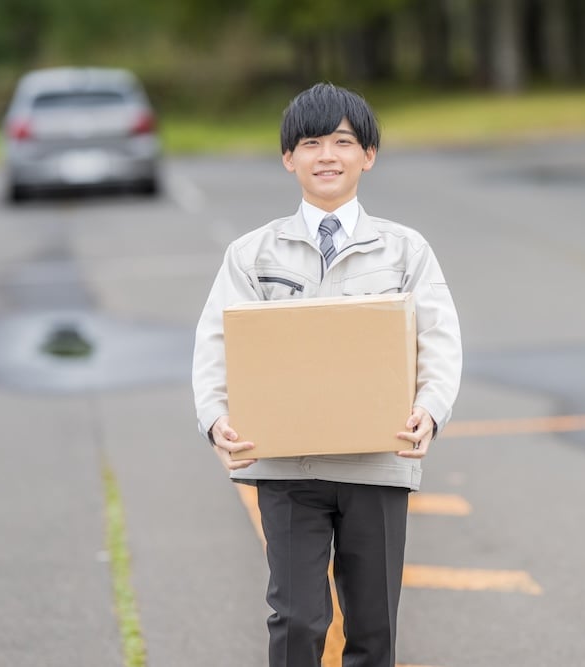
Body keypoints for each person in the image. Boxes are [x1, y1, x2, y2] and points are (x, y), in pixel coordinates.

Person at [191, 82, 462, 667]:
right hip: (290, 467)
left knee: (373, 625)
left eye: (342, 141)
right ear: (289, 158)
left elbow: (439, 339)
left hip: (379, 462)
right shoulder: (252, 253)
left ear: (368, 154)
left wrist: (431, 409)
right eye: (311, 143)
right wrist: (215, 419)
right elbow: (216, 340)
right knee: (296, 620)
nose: (327, 155)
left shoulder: (405, 250)